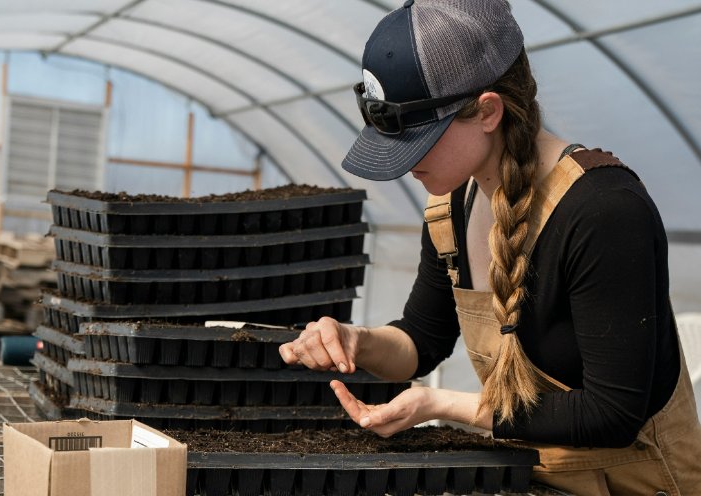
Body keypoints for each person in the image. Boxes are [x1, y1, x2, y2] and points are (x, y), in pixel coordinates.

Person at [278, 0, 701, 494]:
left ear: (487, 111)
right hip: (531, 478)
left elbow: (610, 414)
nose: (403, 163)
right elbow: (420, 340)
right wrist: (357, 341)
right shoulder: (453, 203)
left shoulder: (603, 210)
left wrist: (439, 405)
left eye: (420, 140)